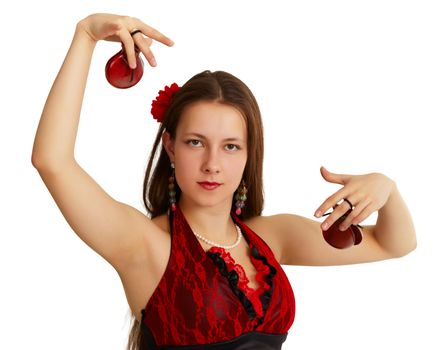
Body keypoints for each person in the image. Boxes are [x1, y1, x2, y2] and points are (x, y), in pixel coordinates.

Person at [31, 13, 417, 350]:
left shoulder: (272, 237)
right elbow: (52, 162)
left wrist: (387, 188)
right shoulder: (145, 245)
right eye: (196, 142)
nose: (212, 164)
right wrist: (86, 36)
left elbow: (393, 244)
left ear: (250, 154)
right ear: (170, 147)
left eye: (231, 146)